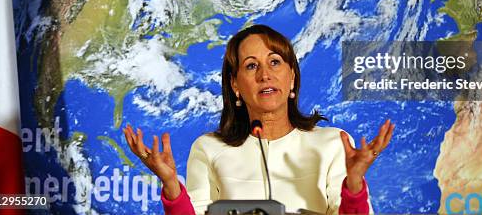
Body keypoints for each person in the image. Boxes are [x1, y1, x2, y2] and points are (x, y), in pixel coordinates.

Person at [123, 24, 395, 214]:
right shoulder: (208, 149)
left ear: (292, 77)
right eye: (252, 65)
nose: (265, 74)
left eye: (275, 62)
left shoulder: (333, 143)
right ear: (235, 85)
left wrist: (355, 183)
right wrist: (171, 186)